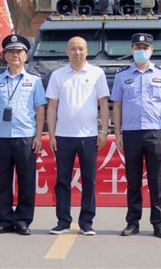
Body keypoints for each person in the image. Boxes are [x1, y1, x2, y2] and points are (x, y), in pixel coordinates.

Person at [111, 33, 161, 238]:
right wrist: (117, 132)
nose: (141, 51)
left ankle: (158, 223)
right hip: (130, 133)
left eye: (145, 47)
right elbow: (117, 105)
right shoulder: (122, 76)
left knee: (156, 180)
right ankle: (132, 222)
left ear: (151, 50)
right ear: (132, 50)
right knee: (133, 180)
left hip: (154, 131)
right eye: (137, 47)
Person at [0, 34, 47, 235]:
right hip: (1, 137)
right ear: (4, 56)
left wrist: (38, 136)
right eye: (10, 51)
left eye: (19, 51)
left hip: (25, 136)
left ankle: (23, 220)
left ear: (26, 56)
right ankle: (4, 219)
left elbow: (40, 110)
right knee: (2, 180)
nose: (15, 55)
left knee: (26, 179)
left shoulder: (34, 81)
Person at [46, 36, 109, 236]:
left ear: (87, 51)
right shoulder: (57, 75)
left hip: (89, 136)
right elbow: (52, 106)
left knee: (89, 180)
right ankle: (63, 221)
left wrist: (104, 130)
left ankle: (87, 222)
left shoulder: (97, 73)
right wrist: (52, 133)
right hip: (63, 136)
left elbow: (104, 104)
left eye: (81, 48)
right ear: (67, 52)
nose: (77, 52)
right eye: (73, 48)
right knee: (62, 180)